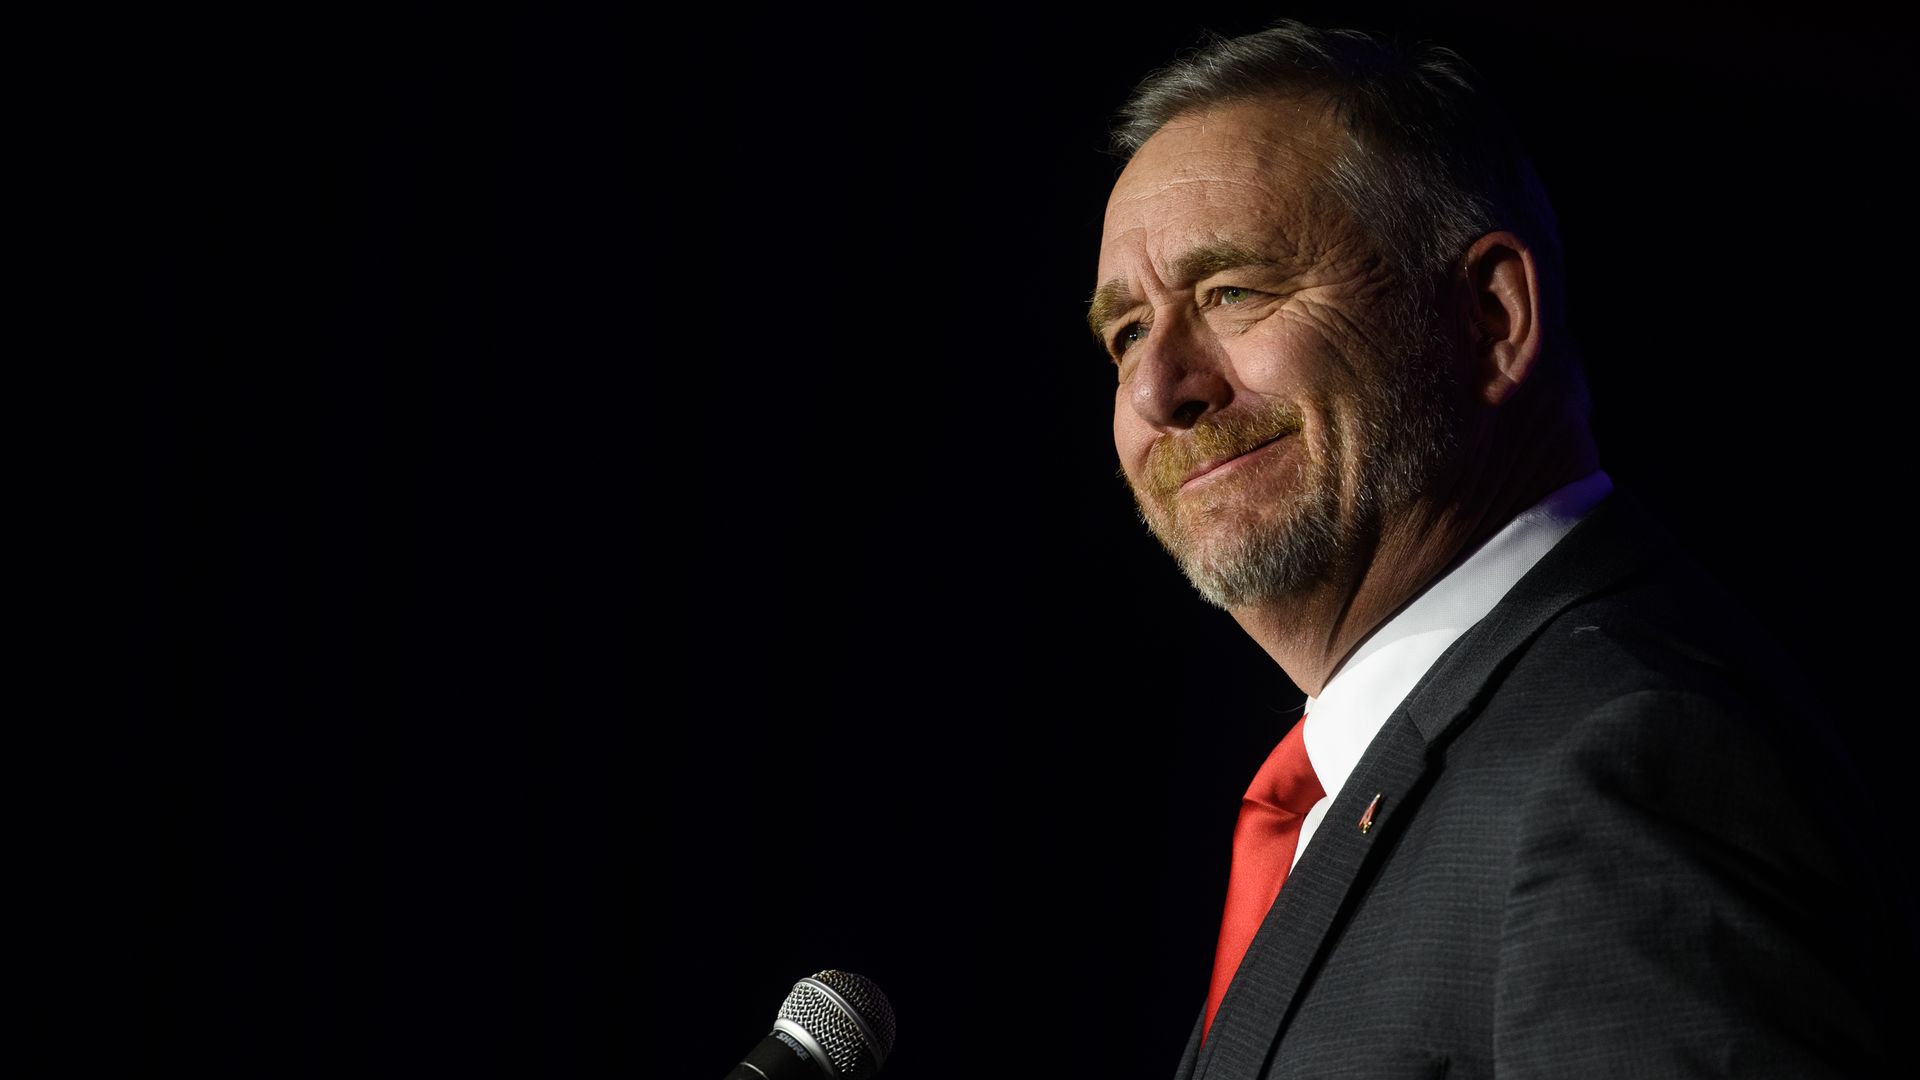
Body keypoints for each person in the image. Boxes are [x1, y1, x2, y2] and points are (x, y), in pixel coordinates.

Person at [1089, 19, 1906, 1078]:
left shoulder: (1630, 759)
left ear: (1490, 314)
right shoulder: (1376, 781)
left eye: (1232, 291)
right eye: (1126, 334)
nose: (1159, 389)